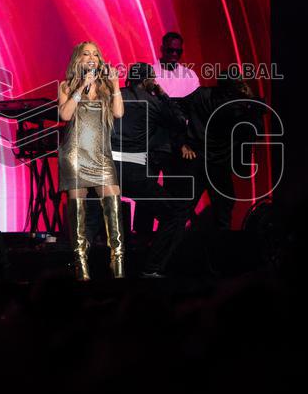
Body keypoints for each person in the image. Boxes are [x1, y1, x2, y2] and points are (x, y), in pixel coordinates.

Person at [111, 62, 193, 278]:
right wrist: (163, 95)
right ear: (148, 81)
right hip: (134, 173)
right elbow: (180, 122)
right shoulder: (153, 101)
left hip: (106, 171)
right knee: (176, 212)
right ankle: (151, 268)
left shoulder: (113, 96)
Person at [57, 41, 124, 280]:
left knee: (113, 204)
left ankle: (118, 264)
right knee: (78, 213)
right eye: (86, 54)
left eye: (95, 54)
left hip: (100, 155)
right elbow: (65, 115)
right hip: (75, 154)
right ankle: (81, 266)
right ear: (78, 59)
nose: (92, 57)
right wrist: (81, 87)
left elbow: (118, 113)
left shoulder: (106, 86)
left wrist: (116, 85)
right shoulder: (66, 86)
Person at [178, 69, 265, 231]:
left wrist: (182, 142)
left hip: (196, 160)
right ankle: (220, 245)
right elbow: (255, 131)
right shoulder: (238, 106)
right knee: (223, 211)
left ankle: (168, 245)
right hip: (218, 165)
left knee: (181, 211)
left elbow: (177, 109)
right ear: (237, 85)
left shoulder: (201, 94)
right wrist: (252, 102)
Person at [133, 31, 200, 234]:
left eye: (178, 52)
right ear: (162, 49)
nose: (174, 55)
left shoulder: (189, 76)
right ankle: (142, 234)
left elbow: (194, 111)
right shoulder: (150, 73)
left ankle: (167, 234)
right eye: (170, 50)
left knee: (174, 188)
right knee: (147, 187)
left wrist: (187, 141)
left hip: (178, 142)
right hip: (152, 140)